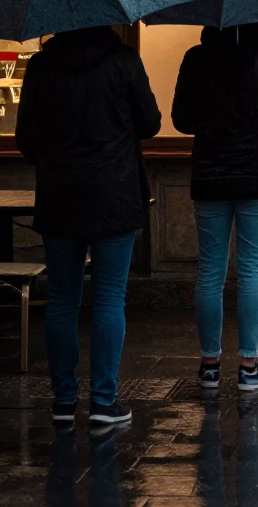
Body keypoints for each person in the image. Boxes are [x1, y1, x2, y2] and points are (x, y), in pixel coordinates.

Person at [15, 25, 161, 427]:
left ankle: (63, 402)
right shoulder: (124, 61)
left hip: (60, 194)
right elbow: (150, 124)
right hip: (115, 193)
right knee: (110, 297)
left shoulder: (42, 66)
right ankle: (102, 401)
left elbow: (26, 139)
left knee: (63, 298)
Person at [172, 23, 258, 392]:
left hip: (210, 174)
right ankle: (248, 366)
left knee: (210, 271)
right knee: (251, 271)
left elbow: (181, 120)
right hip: (257, 176)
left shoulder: (196, 58)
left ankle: (209, 366)